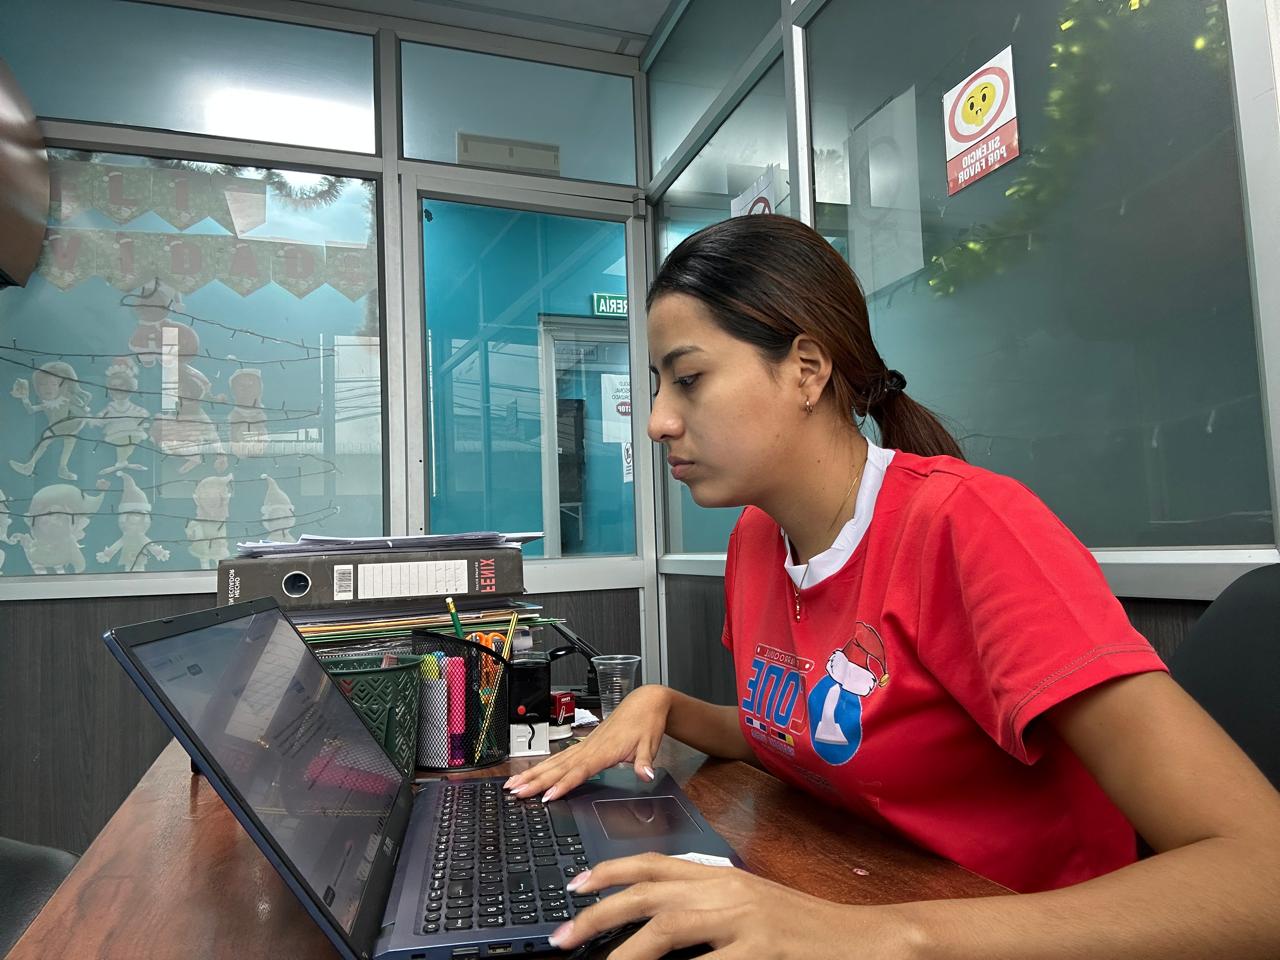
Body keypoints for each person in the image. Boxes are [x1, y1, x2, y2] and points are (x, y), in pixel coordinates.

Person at [506, 215, 1280, 958]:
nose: (657, 422)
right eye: (657, 386)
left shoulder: (968, 527)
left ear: (807, 370)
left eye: (688, 380)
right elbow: (807, 734)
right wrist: (667, 706)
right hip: (865, 894)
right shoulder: (756, 538)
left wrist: (878, 936)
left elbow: (1261, 879)